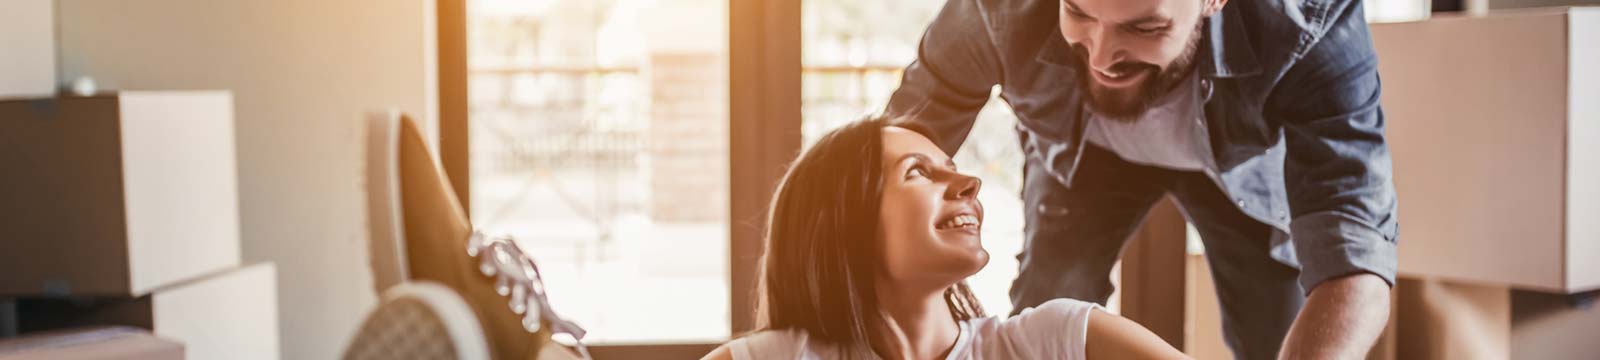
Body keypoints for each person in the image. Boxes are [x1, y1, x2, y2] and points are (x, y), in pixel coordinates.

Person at [886, 0, 1398, 358]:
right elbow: (889, 153)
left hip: (1235, 168)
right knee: (1047, 307)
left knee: (1280, 331)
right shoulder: (994, 7)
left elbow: (1354, 243)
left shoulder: (1308, 16)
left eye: (1144, 28)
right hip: (1083, 153)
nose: (1102, 58)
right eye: (1078, 13)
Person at [701, 116, 1189, 360]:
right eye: (919, 172)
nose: (968, 184)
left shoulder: (1063, 340)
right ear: (846, 219)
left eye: (953, 169)